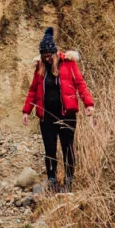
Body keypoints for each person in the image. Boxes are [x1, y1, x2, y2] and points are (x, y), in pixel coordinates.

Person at [21, 27, 94, 193]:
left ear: (54, 53)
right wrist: (26, 111)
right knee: (50, 149)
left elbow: (80, 85)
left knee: (68, 147)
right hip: (46, 117)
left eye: (48, 56)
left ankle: (69, 180)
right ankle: (52, 180)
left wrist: (88, 104)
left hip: (66, 115)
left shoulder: (68, 64)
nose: (46, 59)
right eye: (43, 56)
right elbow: (33, 90)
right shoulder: (40, 67)